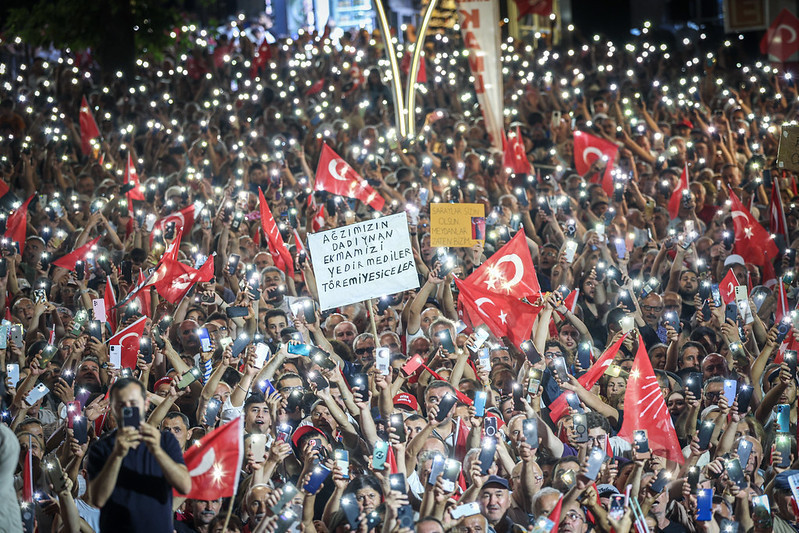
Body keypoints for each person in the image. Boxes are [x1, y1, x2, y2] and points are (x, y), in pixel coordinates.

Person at [85, 378, 191, 532]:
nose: (128, 408)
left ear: (145, 404)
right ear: (112, 408)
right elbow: (98, 499)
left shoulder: (165, 440)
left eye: (133, 403)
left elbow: (184, 486)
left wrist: (158, 451)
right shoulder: (101, 447)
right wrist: (117, 455)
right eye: (121, 404)